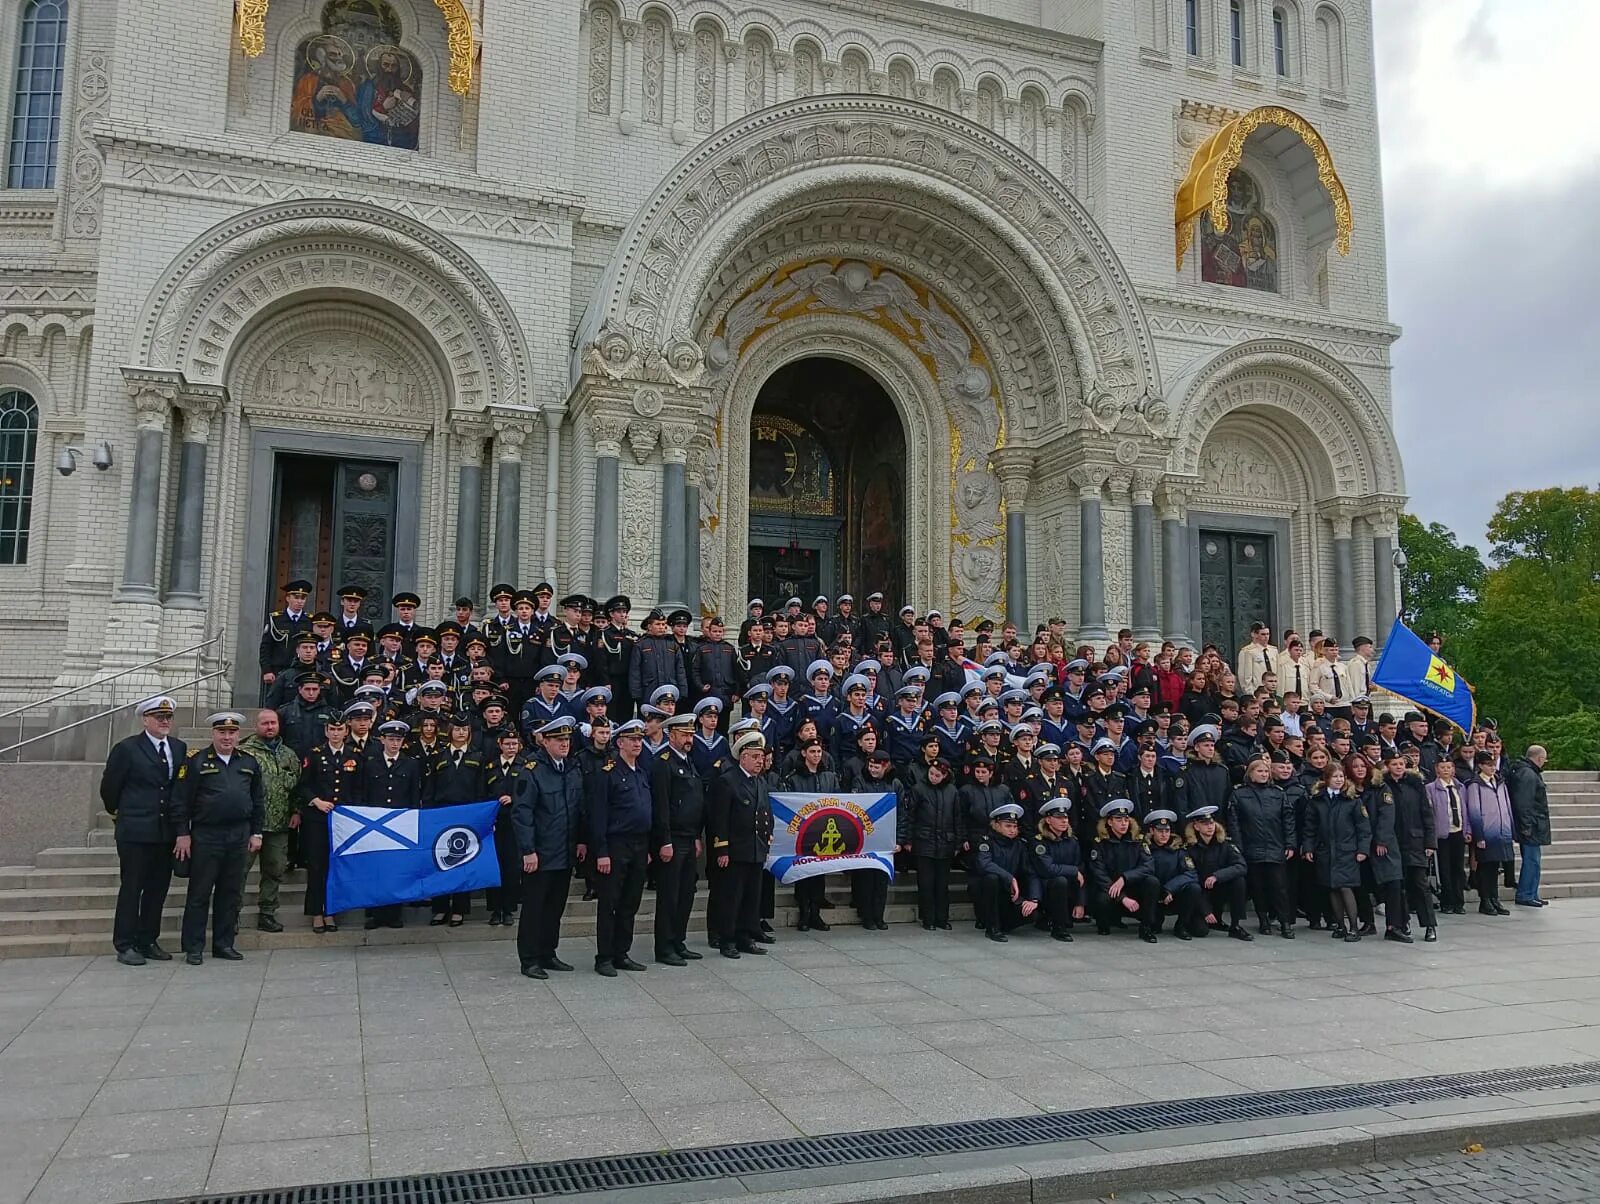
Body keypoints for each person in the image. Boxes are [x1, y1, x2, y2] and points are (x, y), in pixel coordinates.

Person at [171, 713, 265, 965]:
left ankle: (224, 944)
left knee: (230, 893)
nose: (227, 737)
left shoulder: (249, 762)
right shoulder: (196, 761)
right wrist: (183, 833)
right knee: (200, 893)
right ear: (213, 734)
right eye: (222, 733)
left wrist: (257, 832)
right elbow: (181, 801)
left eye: (232, 733)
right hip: (206, 835)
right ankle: (194, 947)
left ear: (238, 735)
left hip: (238, 835)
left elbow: (258, 801)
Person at [99, 696, 187, 965]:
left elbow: (178, 790)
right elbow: (109, 789)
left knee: (157, 889)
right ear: (145, 720)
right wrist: (122, 815)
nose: (164, 721)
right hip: (135, 832)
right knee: (132, 887)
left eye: (168, 717)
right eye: (158, 717)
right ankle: (125, 943)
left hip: (165, 833)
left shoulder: (178, 747)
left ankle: (148, 939)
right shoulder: (127, 749)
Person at [512, 717, 587, 978]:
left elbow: (578, 809)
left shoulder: (571, 768)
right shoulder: (532, 770)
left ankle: (548, 952)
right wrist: (528, 850)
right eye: (558, 740)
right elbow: (522, 813)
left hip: (564, 851)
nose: (564, 744)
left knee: (555, 907)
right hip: (541, 853)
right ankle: (529, 958)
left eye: (567, 739)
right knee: (535, 908)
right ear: (545, 741)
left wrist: (580, 840)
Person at [588, 718, 653, 976]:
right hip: (616, 844)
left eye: (640, 739)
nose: (637, 744)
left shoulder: (641, 771)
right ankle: (604, 956)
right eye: (632, 740)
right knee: (610, 903)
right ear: (620, 743)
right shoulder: (608, 773)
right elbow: (598, 815)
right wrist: (601, 851)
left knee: (630, 902)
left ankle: (621, 952)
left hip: (639, 844)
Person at [708, 731, 776, 958]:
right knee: (732, 898)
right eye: (755, 757)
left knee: (751, 897)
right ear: (743, 757)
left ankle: (745, 937)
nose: (760, 762)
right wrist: (722, 848)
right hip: (735, 850)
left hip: (755, 849)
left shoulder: (760, 782)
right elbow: (719, 818)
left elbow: (766, 812)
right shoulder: (728, 781)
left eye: (761, 757)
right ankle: (727, 939)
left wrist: (767, 838)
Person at [354, 719, 424, 929]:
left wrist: (412, 821)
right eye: (391, 739)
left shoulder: (410, 764)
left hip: (399, 826)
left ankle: (394, 914)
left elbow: (414, 796)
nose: (395, 744)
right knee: (376, 870)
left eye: (399, 740)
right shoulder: (370, 763)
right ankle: (375, 913)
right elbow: (363, 793)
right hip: (374, 824)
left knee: (396, 870)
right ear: (382, 739)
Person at [651, 713, 707, 965]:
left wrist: (696, 836)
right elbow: (661, 805)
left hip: (688, 837)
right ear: (671, 735)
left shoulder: (689, 761)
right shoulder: (663, 763)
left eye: (691, 735)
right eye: (684, 734)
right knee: (670, 895)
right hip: (672, 838)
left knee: (686, 893)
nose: (688, 739)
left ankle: (678, 941)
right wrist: (664, 840)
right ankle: (664, 946)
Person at [238, 709, 301, 935]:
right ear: (256, 726)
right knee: (239, 872)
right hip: (249, 825)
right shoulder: (244, 752)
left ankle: (267, 913)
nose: (269, 727)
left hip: (279, 823)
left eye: (273, 723)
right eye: (265, 723)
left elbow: (296, 787)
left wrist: (296, 811)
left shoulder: (288, 755)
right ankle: (232, 914)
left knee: (274, 870)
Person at [298, 712, 359, 934]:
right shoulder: (314, 755)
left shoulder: (354, 755)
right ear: (326, 732)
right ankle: (316, 912)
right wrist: (316, 801)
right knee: (317, 866)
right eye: (331, 730)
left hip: (344, 821)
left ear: (346, 731)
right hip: (318, 819)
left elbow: (358, 789)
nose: (335, 733)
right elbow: (303, 785)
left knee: (337, 867)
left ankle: (331, 911)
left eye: (339, 729)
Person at [1228, 753, 1297, 938]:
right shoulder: (1239, 794)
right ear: (1250, 773)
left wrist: (1290, 843)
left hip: (1275, 845)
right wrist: (1238, 847)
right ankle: (1263, 920)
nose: (1264, 774)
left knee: (1280, 887)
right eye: (1260, 771)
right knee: (1258, 887)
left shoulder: (1278, 793)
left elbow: (1288, 820)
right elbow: (1234, 824)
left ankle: (1285, 922)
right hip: (1252, 846)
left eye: (1266, 771)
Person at [1302, 761, 1370, 942]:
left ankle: (1353, 927)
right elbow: (1310, 827)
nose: (1339, 780)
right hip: (1325, 850)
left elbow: (1363, 828)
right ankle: (1340, 925)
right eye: (1335, 776)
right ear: (1326, 779)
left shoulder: (1352, 800)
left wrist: (1363, 849)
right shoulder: (1317, 800)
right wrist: (1308, 847)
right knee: (1332, 887)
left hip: (1347, 850)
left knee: (1346, 887)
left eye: (1341, 776)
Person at [783, 737, 840, 932]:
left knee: (819, 876)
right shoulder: (794, 778)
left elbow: (837, 801)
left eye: (819, 752)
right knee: (803, 874)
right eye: (813, 752)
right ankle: (804, 915)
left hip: (824, 831)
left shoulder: (830, 777)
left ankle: (815, 914)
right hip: (803, 833)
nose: (816, 755)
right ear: (804, 753)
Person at [901, 757, 963, 931]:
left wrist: (958, 842)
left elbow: (957, 818)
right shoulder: (918, 789)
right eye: (931, 773)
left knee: (942, 884)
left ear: (945, 776)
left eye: (937, 775)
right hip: (924, 841)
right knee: (926, 883)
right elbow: (910, 816)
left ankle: (942, 918)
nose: (933, 777)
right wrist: (908, 840)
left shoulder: (952, 791)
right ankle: (928, 918)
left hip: (946, 842)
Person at [1088, 798, 1159, 942]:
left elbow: (1148, 866)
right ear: (1109, 822)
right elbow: (1099, 874)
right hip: (1111, 890)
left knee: (1152, 882)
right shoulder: (1100, 843)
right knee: (1102, 898)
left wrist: (1125, 878)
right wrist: (1123, 898)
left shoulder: (1138, 840)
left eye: (1126, 820)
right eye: (1118, 820)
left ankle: (1146, 927)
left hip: (1132, 886)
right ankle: (1104, 923)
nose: (1123, 824)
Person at [1386, 749, 1437, 942]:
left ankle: (1429, 925)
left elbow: (1427, 813)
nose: (1398, 767)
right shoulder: (1383, 786)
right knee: (1397, 885)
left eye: (1401, 764)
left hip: (1415, 841)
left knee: (1420, 884)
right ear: (1388, 766)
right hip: (1393, 842)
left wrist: (1430, 841)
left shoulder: (1416, 785)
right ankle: (1400, 922)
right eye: (1394, 764)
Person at [1183, 806, 1252, 940]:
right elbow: (1191, 879)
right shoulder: (1190, 849)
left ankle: (1235, 926)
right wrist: (1205, 911)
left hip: (1219, 889)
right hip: (1200, 894)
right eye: (1205, 823)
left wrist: (1217, 876)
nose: (1210, 826)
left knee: (1239, 881)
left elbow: (1241, 866)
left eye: (1211, 823)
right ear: (1196, 827)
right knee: (1200, 931)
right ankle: (1205, 918)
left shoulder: (1224, 844)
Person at [1462, 749, 1514, 917]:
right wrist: (1479, 835)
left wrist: (1510, 828)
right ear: (1480, 766)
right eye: (1488, 765)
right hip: (1486, 832)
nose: (1492, 768)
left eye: (1493, 765)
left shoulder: (1500, 782)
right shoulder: (1475, 784)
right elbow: (1475, 811)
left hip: (1501, 831)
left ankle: (1494, 898)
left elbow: (1507, 807)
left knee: (1495, 867)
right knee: (1485, 868)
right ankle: (1485, 900)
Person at [850, 750, 897, 930]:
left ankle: (879, 916)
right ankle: (867, 916)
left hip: (885, 840)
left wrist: (899, 839)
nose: (872, 770)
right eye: (870, 766)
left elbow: (901, 814)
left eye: (876, 767)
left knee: (881, 881)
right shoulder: (860, 781)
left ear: (885, 766)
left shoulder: (894, 783)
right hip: (865, 839)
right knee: (866, 881)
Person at [971, 801, 1030, 940]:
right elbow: (984, 864)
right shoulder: (986, 842)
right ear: (997, 826)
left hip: (1009, 892)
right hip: (987, 891)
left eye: (1015, 826)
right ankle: (992, 927)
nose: (1012, 830)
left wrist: (1033, 898)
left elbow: (1027, 871)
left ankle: (1003, 923)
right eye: (1008, 826)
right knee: (992, 878)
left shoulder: (1019, 845)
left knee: (1031, 913)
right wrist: (1010, 878)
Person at [1026, 797, 1083, 941]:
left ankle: (1065, 917)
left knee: (1066, 880)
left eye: (1065, 817)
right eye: (1058, 817)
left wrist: (1080, 902)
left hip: (1068, 891)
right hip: (1045, 890)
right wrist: (1074, 871)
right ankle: (1059, 929)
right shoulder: (1039, 842)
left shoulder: (1072, 841)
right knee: (1060, 880)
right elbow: (1048, 869)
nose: (1064, 821)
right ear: (1048, 820)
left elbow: (1081, 870)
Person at [1142, 810, 1202, 941]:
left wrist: (1170, 889)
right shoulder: (1144, 848)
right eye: (1160, 831)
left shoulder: (1178, 850)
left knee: (1194, 888)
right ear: (1152, 831)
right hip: (1151, 897)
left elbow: (1191, 873)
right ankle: (1147, 926)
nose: (1164, 835)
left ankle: (1181, 926)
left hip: (1172, 896)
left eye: (1167, 831)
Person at [1507, 745, 1551, 908]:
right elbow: (1523, 803)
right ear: (1539, 758)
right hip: (1531, 824)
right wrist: (1526, 826)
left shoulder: (1526, 772)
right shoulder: (1528, 774)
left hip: (1533, 823)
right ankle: (1526, 894)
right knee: (1532, 860)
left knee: (1534, 860)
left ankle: (1532, 892)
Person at [1426, 755, 1470, 915]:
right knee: (1444, 869)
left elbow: (1465, 809)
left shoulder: (1460, 787)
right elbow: (1430, 813)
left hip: (1458, 832)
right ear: (1437, 770)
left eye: (1449, 767)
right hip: (1442, 834)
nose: (1446, 770)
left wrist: (1467, 830)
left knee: (1458, 868)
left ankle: (1459, 901)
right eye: (1443, 767)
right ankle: (1447, 901)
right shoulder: (1431, 788)